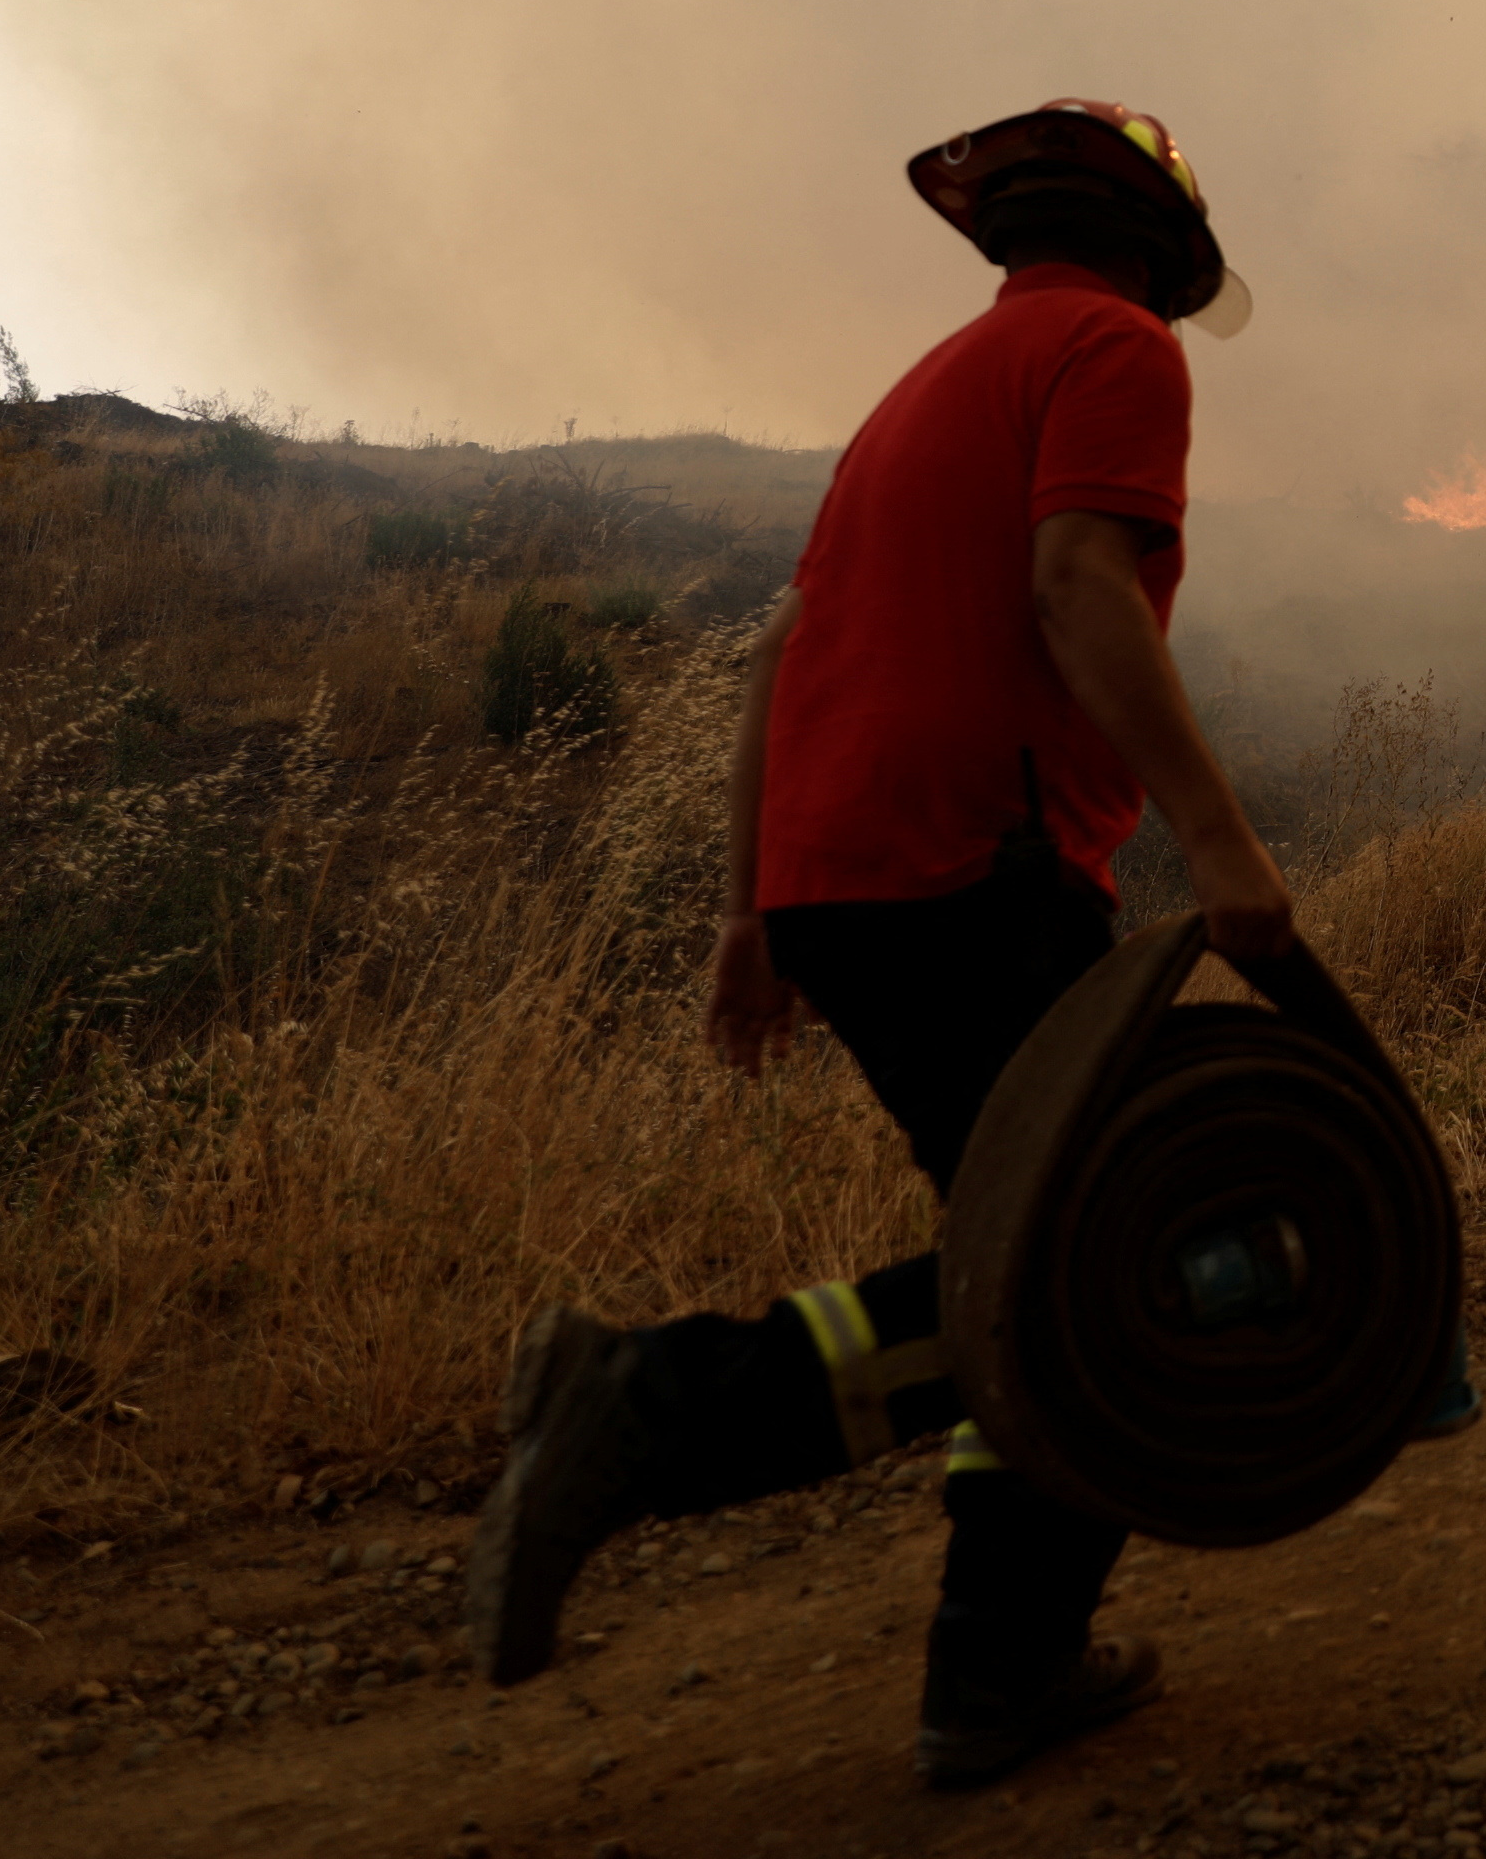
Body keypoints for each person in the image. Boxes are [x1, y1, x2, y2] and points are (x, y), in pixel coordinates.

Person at [461, 97, 1296, 1789]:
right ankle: (646, 1408)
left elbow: (782, 656)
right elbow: (1078, 588)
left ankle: (999, 1672)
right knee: (1102, 1265)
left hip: (847, 881)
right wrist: (1215, 836)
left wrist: (750, 912)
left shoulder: (920, 392)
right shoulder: (1118, 347)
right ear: (1156, 248)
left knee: (1057, 1245)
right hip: (967, 871)